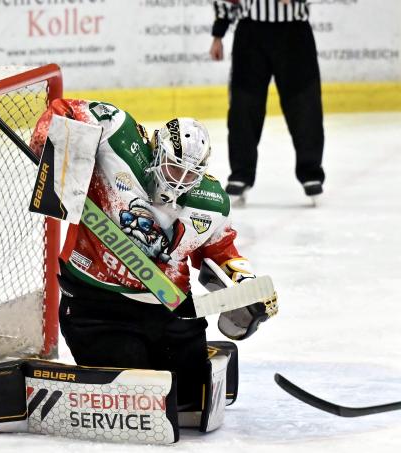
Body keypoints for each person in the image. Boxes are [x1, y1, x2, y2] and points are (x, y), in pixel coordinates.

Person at [28, 98, 276, 416]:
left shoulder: (211, 204)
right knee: (140, 397)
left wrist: (246, 287)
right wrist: (52, 135)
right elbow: (65, 108)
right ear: (157, 150)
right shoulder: (116, 134)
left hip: (170, 310)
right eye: (174, 168)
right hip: (97, 306)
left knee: (188, 400)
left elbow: (221, 252)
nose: (178, 181)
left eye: (190, 176)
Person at [210, 0, 325, 205]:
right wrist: (218, 33)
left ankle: (311, 173)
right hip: (250, 33)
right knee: (243, 108)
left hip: (294, 34)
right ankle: (240, 174)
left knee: (304, 105)